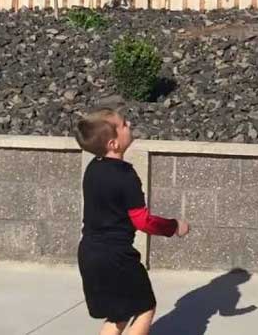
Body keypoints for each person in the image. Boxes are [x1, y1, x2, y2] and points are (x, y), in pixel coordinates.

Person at [75, 108, 189, 335]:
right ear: (113, 144)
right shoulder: (125, 175)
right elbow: (142, 221)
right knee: (145, 307)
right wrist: (174, 226)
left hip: (89, 254)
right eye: (124, 124)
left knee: (118, 314)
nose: (129, 124)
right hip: (116, 257)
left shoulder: (93, 169)